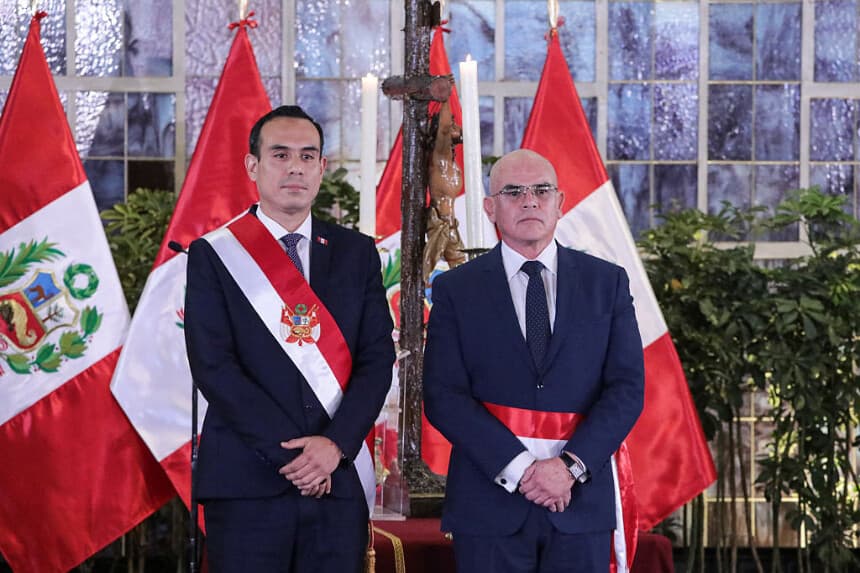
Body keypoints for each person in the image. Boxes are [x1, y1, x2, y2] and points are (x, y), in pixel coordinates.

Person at [184, 105, 395, 573]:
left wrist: (334, 447)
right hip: (247, 481)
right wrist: (296, 456)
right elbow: (214, 365)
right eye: (280, 155)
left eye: (308, 155)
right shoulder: (214, 255)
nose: (295, 166)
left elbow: (378, 359)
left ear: (322, 168)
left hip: (336, 481)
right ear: (253, 166)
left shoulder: (356, 253)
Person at [423, 149, 645, 572]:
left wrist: (569, 468)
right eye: (513, 191)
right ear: (491, 207)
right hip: (490, 506)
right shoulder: (455, 289)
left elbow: (627, 389)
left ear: (560, 202)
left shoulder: (607, 283)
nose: (530, 201)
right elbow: (443, 394)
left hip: (580, 503)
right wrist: (523, 469)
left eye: (542, 190)